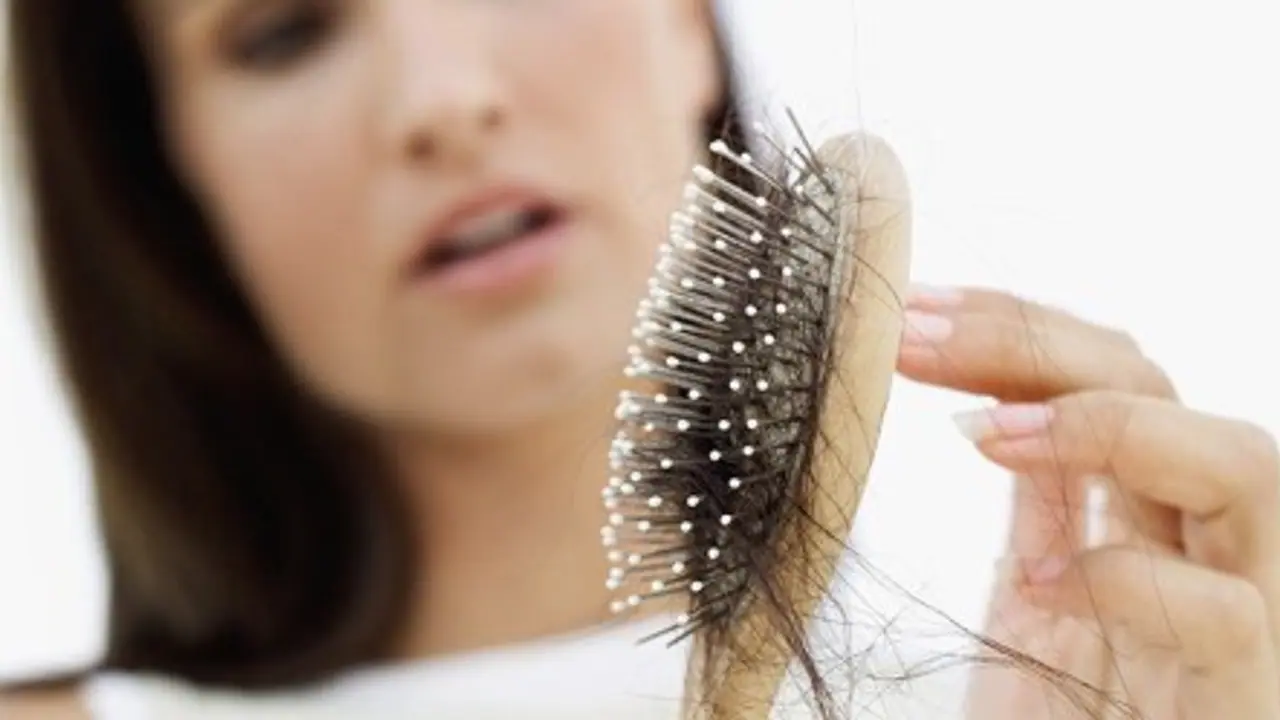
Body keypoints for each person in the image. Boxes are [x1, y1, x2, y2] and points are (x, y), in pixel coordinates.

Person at [3, 0, 1277, 718]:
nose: (443, 98)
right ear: (166, 176)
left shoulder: (1054, 698)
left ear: (686, 22)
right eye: (283, 31)